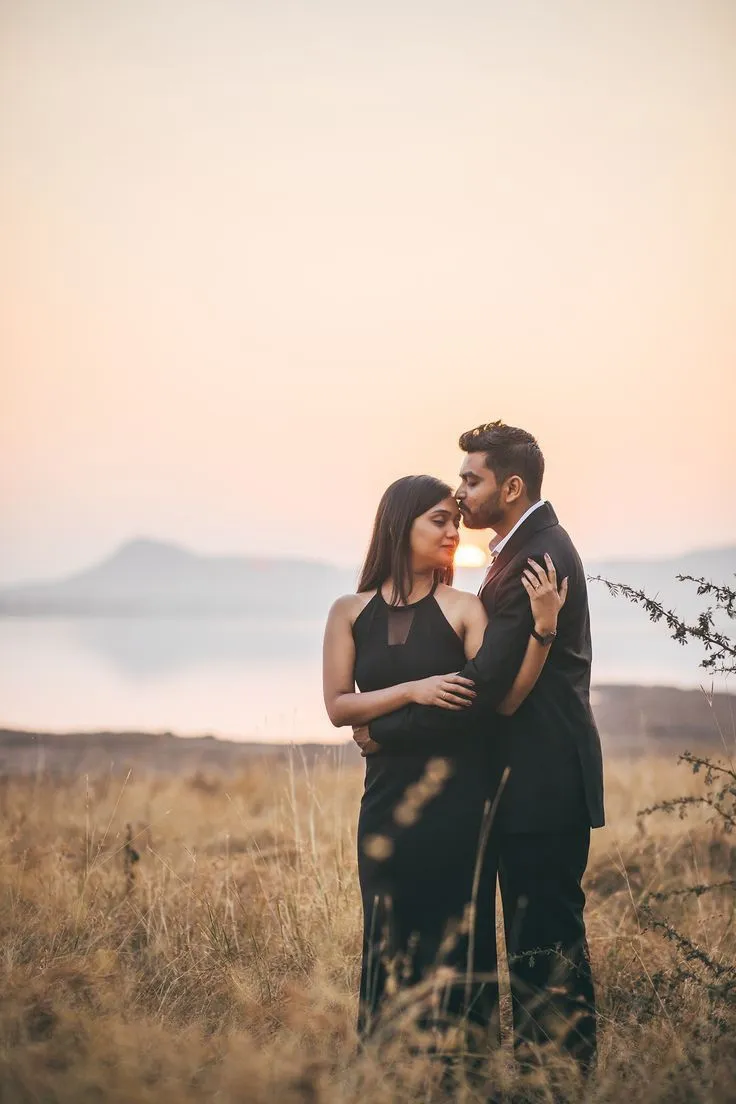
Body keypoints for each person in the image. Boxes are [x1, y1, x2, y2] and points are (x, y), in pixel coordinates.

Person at [355, 422, 604, 1074]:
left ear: (512, 486)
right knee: (534, 942)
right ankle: (535, 1077)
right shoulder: (515, 550)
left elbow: (482, 687)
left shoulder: (537, 557)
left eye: (473, 479)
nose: (460, 493)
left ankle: (563, 1082)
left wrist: (385, 729)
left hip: (542, 785)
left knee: (545, 946)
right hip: (524, 787)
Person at [322, 473, 567, 1049]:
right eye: (439, 519)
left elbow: (499, 701)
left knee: (460, 943)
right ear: (398, 525)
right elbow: (338, 706)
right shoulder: (349, 611)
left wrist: (544, 631)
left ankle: (465, 1074)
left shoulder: (465, 609)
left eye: (456, 520)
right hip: (385, 807)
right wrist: (415, 690)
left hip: (460, 807)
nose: (454, 531)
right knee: (389, 939)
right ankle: (389, 1071)